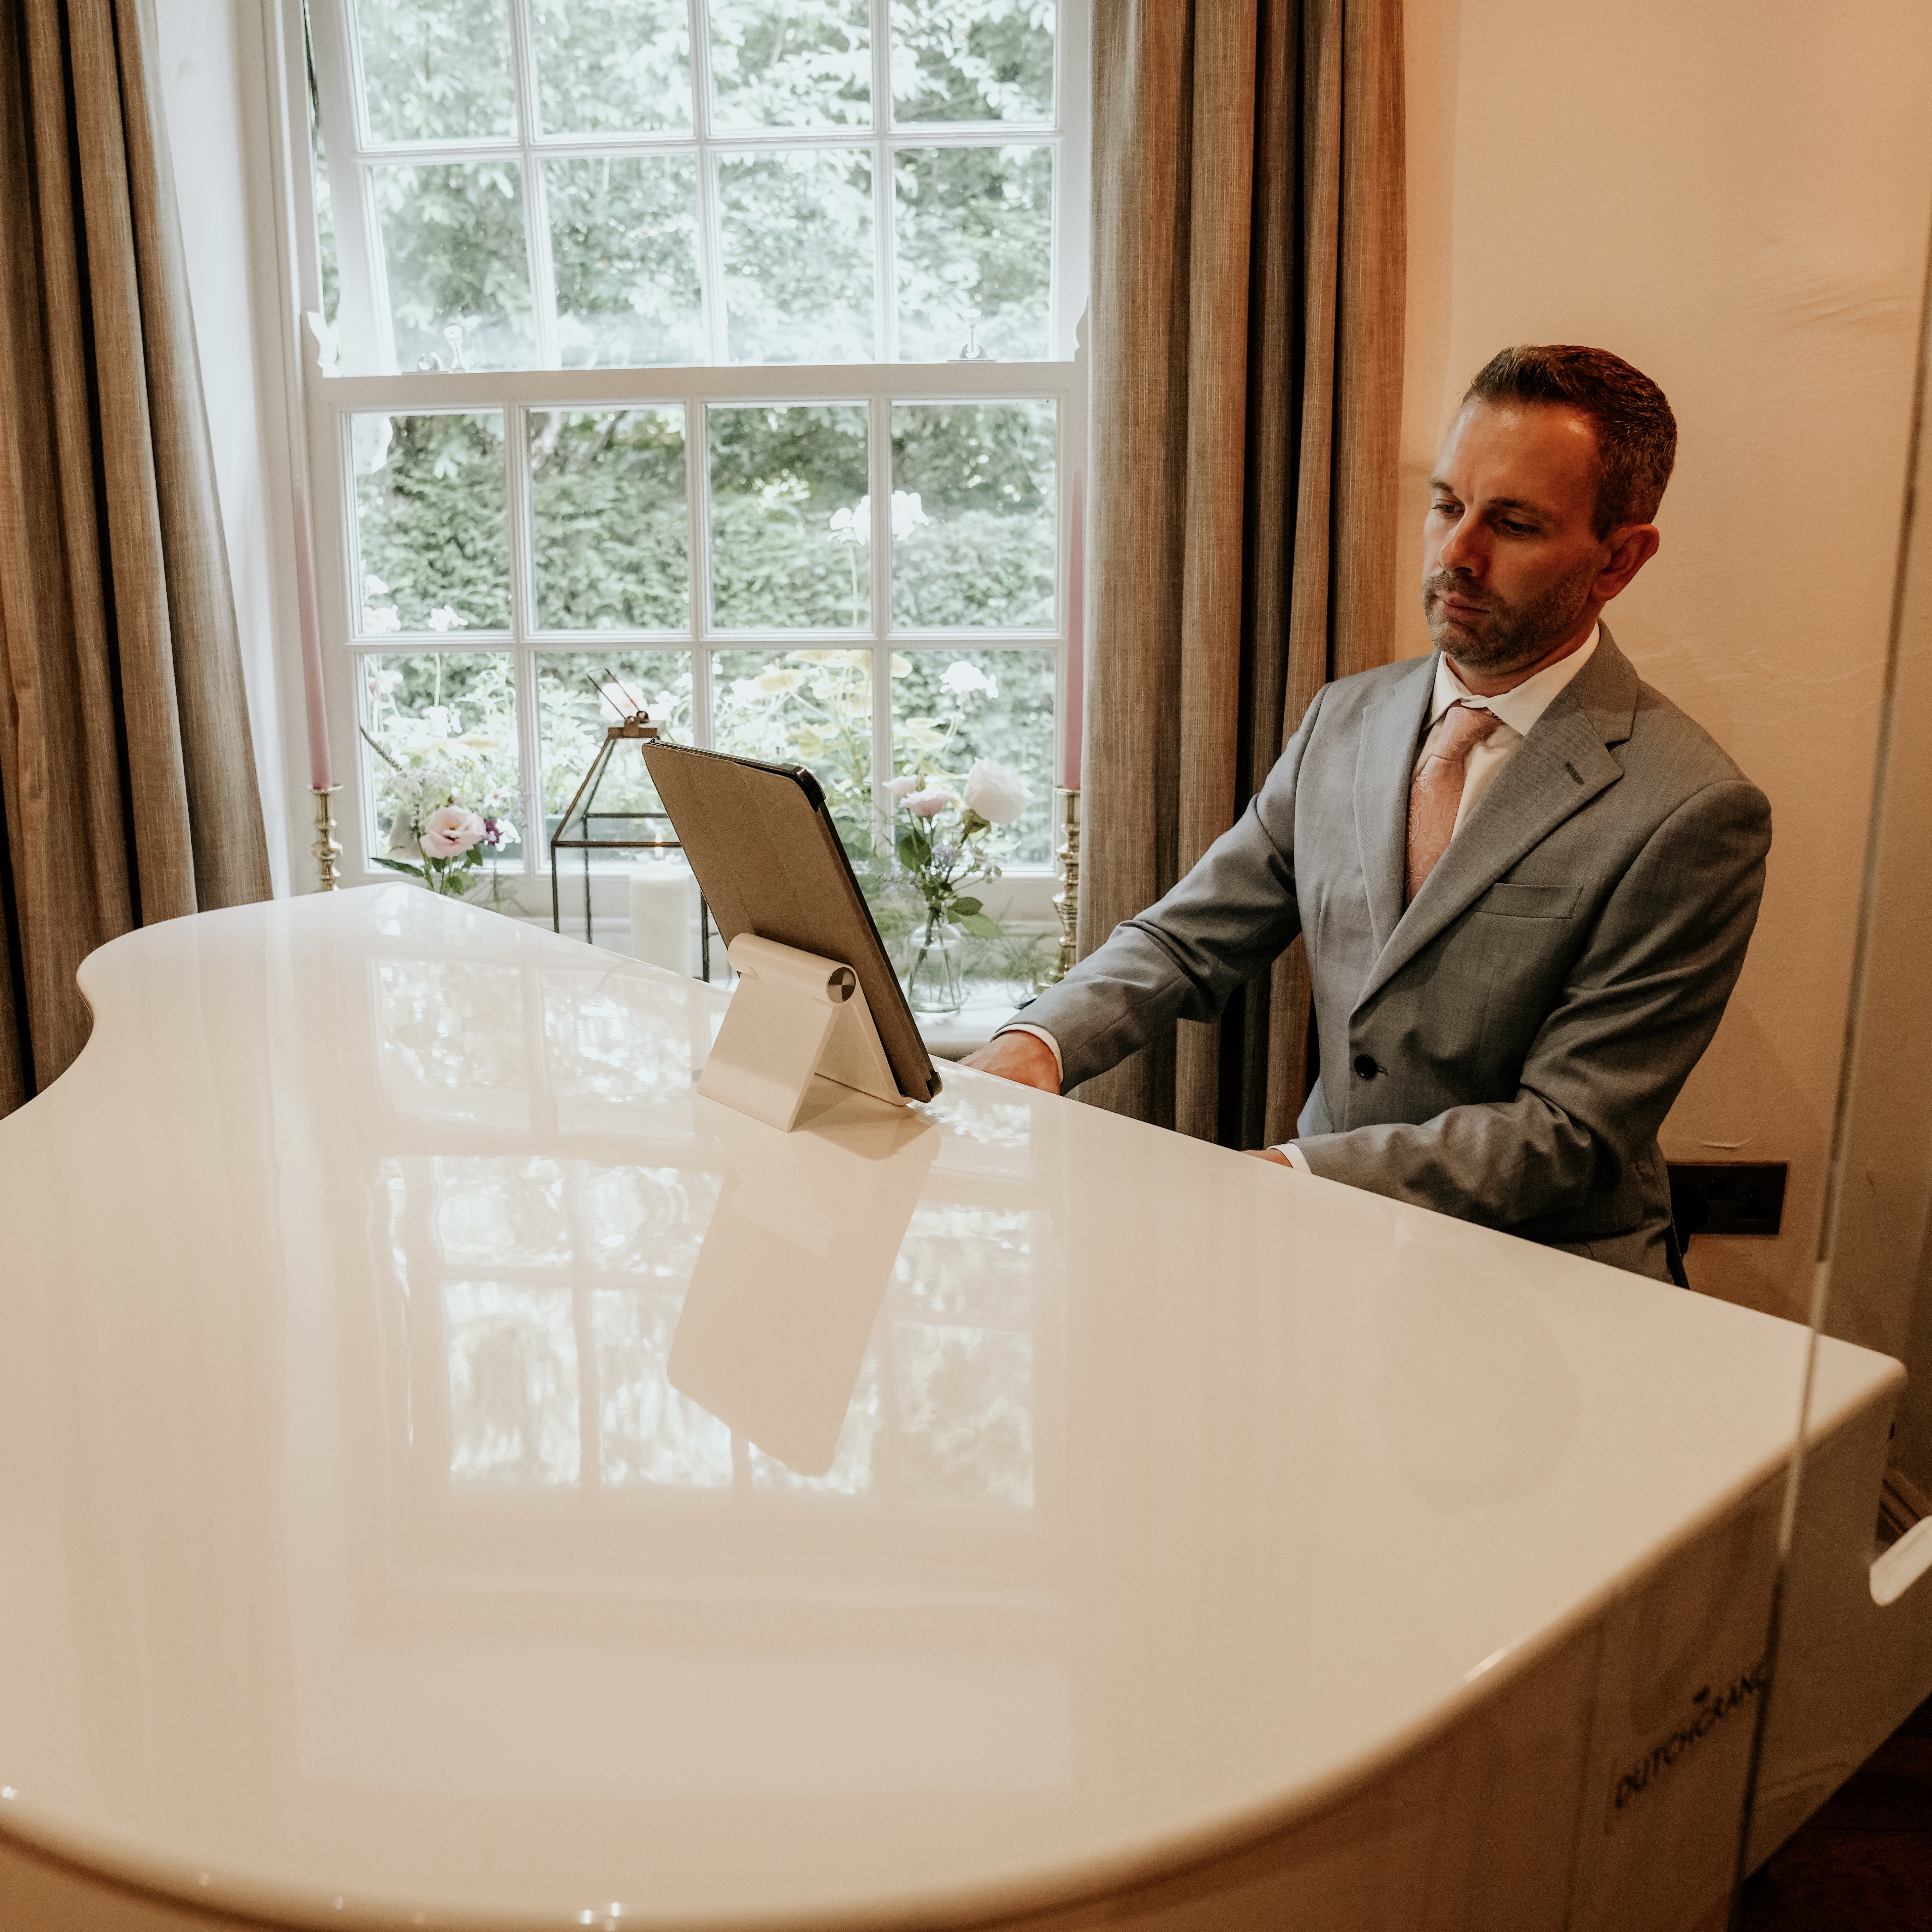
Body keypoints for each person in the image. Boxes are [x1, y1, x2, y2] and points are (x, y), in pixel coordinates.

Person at [963, 345, 1771, 1283]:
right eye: (1447, 505)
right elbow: (1189, 938)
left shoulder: (1694, 808)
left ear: (1619, 559)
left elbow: (1570, 1135)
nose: (1456, 556)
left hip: (1545, 1287)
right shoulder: (1344, 718)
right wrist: (1039, 1041)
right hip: (1325, 1257)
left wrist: (1293, 1172)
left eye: (1512, 523)